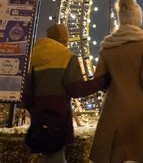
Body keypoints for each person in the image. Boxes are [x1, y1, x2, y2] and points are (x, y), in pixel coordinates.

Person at [90, 0, 143, 163]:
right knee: (138, 156)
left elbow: (100, 79)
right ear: (137, 19)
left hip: (112, 110)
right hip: (137, 111)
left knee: (113, 157)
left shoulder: (108, 45)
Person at [23, 23, 108, 163]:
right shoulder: (67, 57)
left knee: (47, 156)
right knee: (56, 156)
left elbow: (26, 95)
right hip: (59, 119)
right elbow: (77, 89)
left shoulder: (34, 57)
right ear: (65, 40)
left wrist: (37, 111)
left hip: (39, 120)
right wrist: (101, 82)